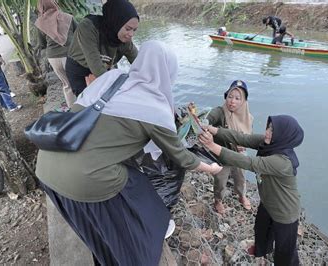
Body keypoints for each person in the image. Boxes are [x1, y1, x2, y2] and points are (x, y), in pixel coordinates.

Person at [35, 40, 222, 265]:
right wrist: (211, 168)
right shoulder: (155, 107)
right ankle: (142, 244)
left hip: (47, 163)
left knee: (102, 227)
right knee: (140, 191)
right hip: (84, 178)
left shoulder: (111, 78)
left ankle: (106, 250)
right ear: (167, 72)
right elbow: (180, 156)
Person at [199, 115, 304, 266]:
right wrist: (213, 130)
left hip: (285, 210)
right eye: (268, 127)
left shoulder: (283, 161)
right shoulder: (269, 143)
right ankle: (262, 250)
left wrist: (212, 146)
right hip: (268, 200)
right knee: (261, 229)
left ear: (284, 135)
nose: (267, 132)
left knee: (285, 250)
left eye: (273, 130)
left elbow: (249, 162)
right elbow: (241, 137)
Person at [66, 0, 139, 96]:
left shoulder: (125, 38)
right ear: (116, 22)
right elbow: (97, 69)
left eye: (134, 30)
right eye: (128, 29)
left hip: (104, 67)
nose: (131, 34)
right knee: (88, 104)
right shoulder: (88, 27)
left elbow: (139, 62)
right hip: (81, 69)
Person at [206, 80, 253, 215]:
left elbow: (249, 137)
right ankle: (218, 200)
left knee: (241, 177)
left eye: (238, 98)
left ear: (244, 101)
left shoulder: (248, 117)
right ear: (226, 96)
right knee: (220, 180)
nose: (232, 101)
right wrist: (203, 121)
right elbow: (208, 119)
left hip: (239, 154)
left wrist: (243, 146)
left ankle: (241, 195)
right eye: (230, 97)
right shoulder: (220, 112)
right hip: (222, 154)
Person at [35, 0, 77, 107]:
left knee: (67, 84)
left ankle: (73, 111)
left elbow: (42, 44)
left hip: (53, 58)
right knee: (78, 81)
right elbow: (79, 34)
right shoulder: (68, 17)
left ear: (41, 7)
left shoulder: (40, 23)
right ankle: (84, 107)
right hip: (70, 55)